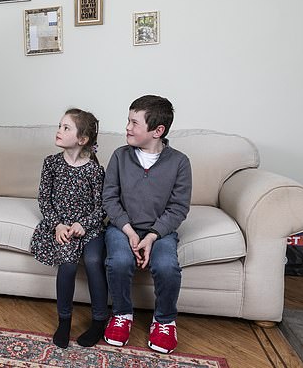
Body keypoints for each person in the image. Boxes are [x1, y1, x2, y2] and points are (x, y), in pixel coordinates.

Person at [102, 95, 191, 354]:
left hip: (160, 232)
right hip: (122, 227)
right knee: (119, 261)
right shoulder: (120, 156)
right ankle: (121, 315)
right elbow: (109, 198)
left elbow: (178, 208)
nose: (127, 127)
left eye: (134, 122)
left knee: (166, 266)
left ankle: (164, 321)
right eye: (128, 121)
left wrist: (152, 236)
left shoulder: (180, 162)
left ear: (157, 131)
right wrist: (128, 231)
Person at [30, 108, 108, 348]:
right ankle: (64, 322)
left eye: (66, 128)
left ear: (82, 139)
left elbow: (102, 207)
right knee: (68, 264)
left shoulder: (95, 170)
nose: (59, 131)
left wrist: (83, 224)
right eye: (59, 126)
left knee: (94, 262)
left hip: (88, 227)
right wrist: (57, 225)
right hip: (62, 226)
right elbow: (44, 199)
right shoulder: (51, 163)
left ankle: (99, 321)